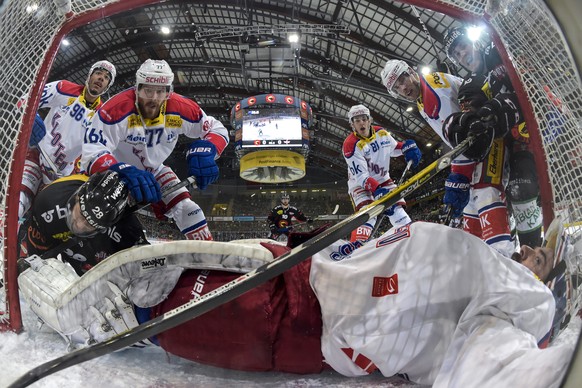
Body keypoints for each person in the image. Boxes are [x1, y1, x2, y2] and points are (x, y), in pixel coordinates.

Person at [17, 218, 575, 386]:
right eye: (528, 250)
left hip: (306, 316)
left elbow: (512, 374)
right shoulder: (478, 261)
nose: (526, 255)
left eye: (538, 260)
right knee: (153, 285)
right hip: (296, 271)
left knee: (148, 307)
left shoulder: (504, 313)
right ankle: (85, 292)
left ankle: (86, 301)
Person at [80, 58, 229, 241]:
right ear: (137, 88)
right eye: (148, 90)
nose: (154, 98)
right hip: (116, 172)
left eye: (160, 91)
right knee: (100, 222)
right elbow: (92, 151)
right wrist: (122, 170)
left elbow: (217, 128)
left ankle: (207, 257)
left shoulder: (181, 107)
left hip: (155, 170)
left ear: (169, 91)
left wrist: (209, 149)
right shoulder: (116, 108)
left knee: (189, 210)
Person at [381, 59, 516, 258]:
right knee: (469, 202)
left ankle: (504, 258)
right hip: (482, 139)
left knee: (485, 192)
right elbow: (460, 141)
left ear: (410, 71)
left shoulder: (434, 94)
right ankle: (478, 259)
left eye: (402, 79)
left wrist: (458, 176)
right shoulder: (423, 98)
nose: (403, 87)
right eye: (396, 87)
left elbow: (467, 138)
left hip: (491, 135)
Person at [443, 25, 543, 248]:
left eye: (463, 47)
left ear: (475, 42)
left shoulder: (501, 48)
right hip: (520, 144)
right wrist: (468, 124)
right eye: (457, 55)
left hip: (548, 125)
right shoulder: (470, 84)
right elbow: (472, 111)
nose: (463, 56)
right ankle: (534, 255)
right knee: (520, 187)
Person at [19, 60, 117, 220]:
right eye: (98, 73)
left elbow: (99, 153)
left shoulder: (102, 118)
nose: (101, 78)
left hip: (62, 175)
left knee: (51, 223)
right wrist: (31, 117)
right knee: (20, 199)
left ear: (107, 86)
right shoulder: (64, 88)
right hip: (38, 156)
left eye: (106, 77)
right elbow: (27, 99)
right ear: (90, 75)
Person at [20, 170, 147, 275]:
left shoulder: (127, 230)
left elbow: (146, 273)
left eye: (90, 224)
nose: (79, 225)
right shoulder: (48, 204)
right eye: (81, 214)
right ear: (77, 197)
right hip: (58, 237)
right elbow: (36, 261)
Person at [342, 104, 421, 241]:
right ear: (352, 125)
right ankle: (355, 249)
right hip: (360, 185)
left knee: (398, 212)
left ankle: (409, 242)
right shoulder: (350, 144)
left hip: (384, 180)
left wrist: (406, 148)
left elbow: (394, 148)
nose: (361, 122)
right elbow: (362, 177)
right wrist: (377, 190)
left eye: (364, 118)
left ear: (369, 120)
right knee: (367, 215)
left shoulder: (382, 133)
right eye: (357, 120)